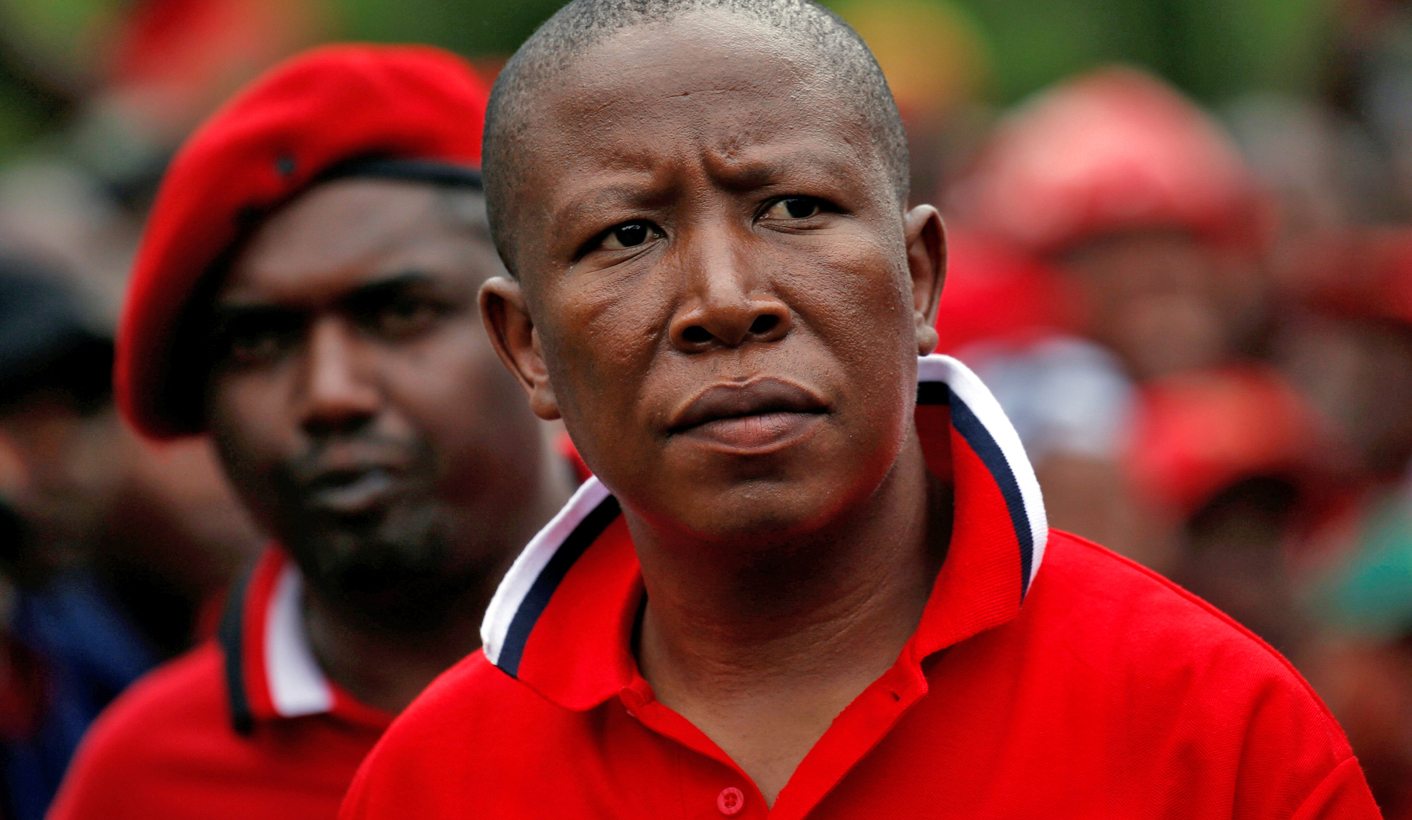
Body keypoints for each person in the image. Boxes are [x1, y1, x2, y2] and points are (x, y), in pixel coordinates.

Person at [343, 3, 1379, 817]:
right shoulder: (433, 781)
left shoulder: (1206, 720)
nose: (722, 299)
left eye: (793, 207)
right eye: (623, 235)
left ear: (917, 276)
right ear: (527, 346)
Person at [49, 44, 574, 820]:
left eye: (398, 314)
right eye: (257, 342)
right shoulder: (144, 781)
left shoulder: (747, 640)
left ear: (532, 331)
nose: (330, 394)